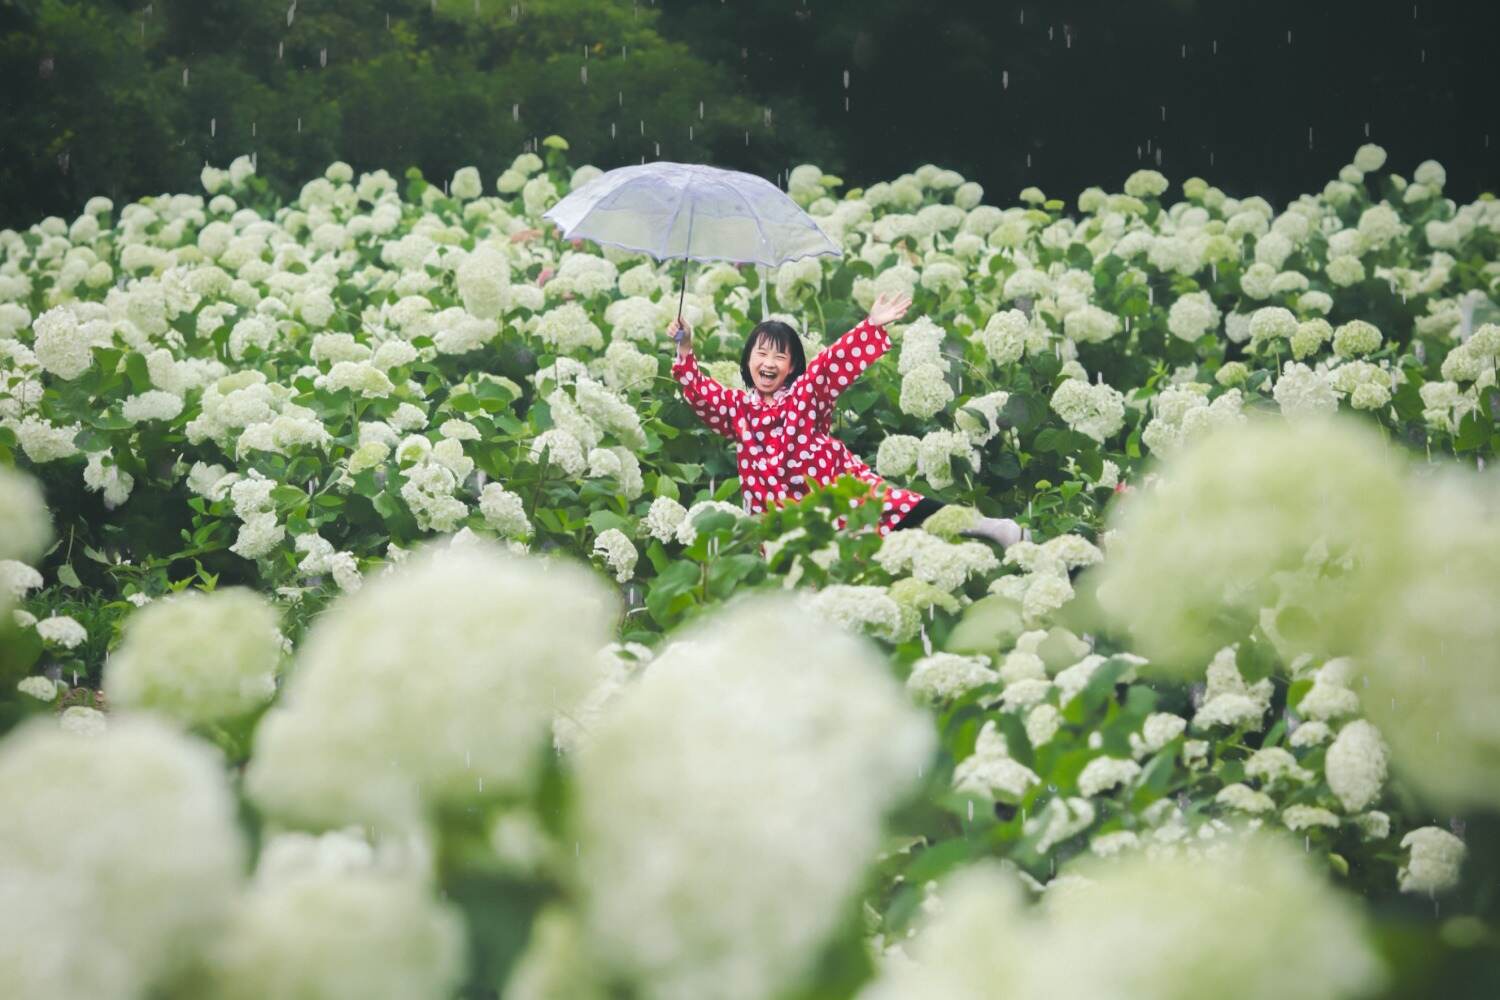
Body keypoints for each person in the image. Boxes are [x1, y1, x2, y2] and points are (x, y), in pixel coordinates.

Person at [665, 290, 1024, 545]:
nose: (769, 364)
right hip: (781, 521)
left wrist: (871, 325)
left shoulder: (804, 394)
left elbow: (829, 364)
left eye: (779, 357)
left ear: (792, 368)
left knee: (903, 509)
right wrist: (685, 346)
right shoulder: (737, 409)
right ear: (748, 361)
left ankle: (992, 528)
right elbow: (699, 392)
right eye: (761, 354)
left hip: (836, 493)